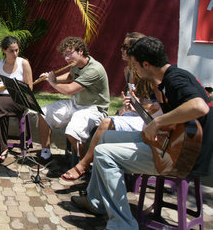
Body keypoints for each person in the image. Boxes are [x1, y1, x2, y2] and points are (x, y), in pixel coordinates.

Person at [71, 36, 213, 229]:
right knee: (105, 137)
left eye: (135, 64)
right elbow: (176, 116)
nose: (133, 69)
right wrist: (145, 111)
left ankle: (123, 224)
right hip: (173, 144)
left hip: (183, 156)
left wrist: (158, 123)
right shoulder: (168, 78)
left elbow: (200, 107)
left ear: (146, 63)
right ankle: (96, 201)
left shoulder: (175, 79)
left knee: (104, 154)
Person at [60, 32, 160, 181]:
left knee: (105, 124)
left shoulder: (150, 74)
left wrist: (139, 105)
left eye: (125, 47)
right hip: (135, 114)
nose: (121, 50)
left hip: (149, 120)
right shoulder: (128, 71)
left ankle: (84, 166)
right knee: (105, 130)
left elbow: (157, 105)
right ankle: (100, 173)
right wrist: (128, 105)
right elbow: (135, 101)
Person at [37, 36, 110, 162]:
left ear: (80, 51)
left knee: (72, 131)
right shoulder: (76, 64)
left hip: (94, 109)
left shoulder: (94, 69)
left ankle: (83, 164)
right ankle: (46, 152)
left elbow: (70, 89)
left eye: (69, 53)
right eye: (64, 55)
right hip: (77, 103)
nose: (66, 58)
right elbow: (71, 75)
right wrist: (53, 77)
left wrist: (53, 83)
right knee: (43, 113)